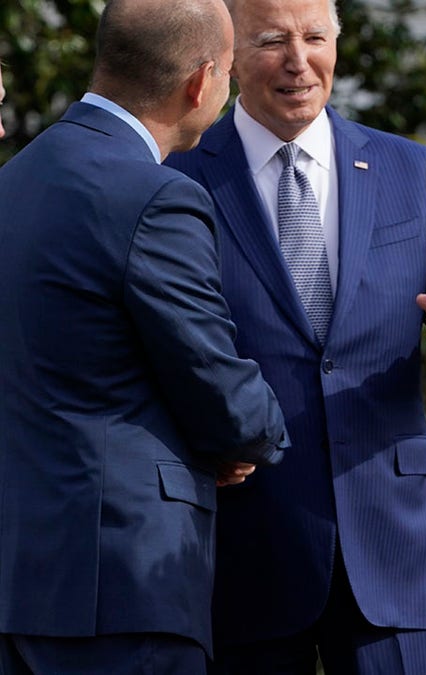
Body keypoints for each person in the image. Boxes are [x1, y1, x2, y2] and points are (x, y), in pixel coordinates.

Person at [164, 0, 426, 672]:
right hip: (244, 548)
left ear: (338, 42)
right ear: (228, 53)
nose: (298, 61)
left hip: (392, 547)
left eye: (315, 37)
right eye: (272, 40)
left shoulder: (407, 169)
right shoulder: (179, 176)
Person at [0, 0, 290, 671]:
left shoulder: (14, 180)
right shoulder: (157, 197)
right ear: (201, 81)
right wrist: (246, 435)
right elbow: (221, 389)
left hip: (21, 578)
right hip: (123, 582)